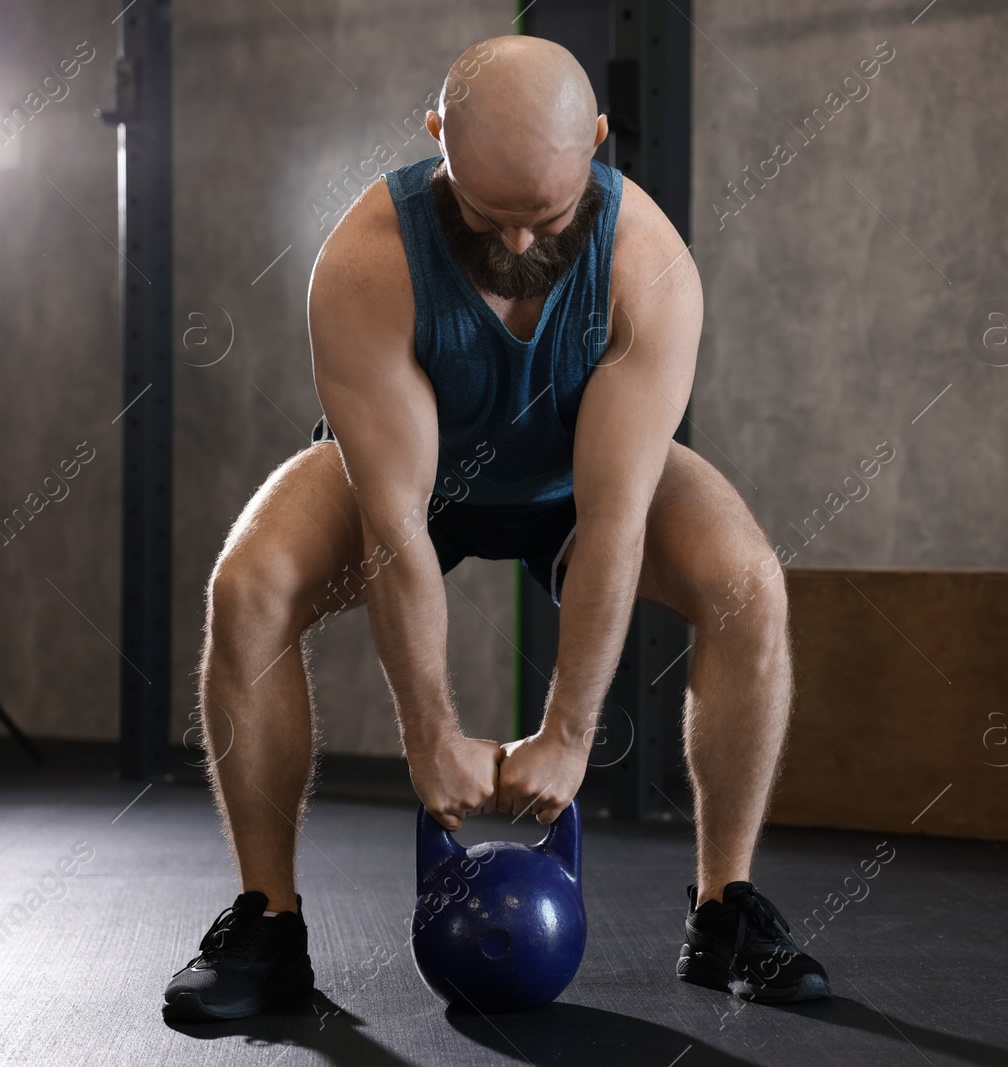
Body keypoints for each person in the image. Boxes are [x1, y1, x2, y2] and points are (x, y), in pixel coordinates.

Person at [163, 35, 827, 1021]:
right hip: (410, 484)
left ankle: (723, 907)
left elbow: (611, 519)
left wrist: (567, 734)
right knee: (247, 587)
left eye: (547, 217)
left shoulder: (649, 267)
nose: (517, 246)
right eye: (486, 215)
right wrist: (429, 732)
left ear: (598, 143)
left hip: (577, 485)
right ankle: (268, 922)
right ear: (437, 139)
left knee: (748, 584)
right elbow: (393, 520)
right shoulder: (365, 262)